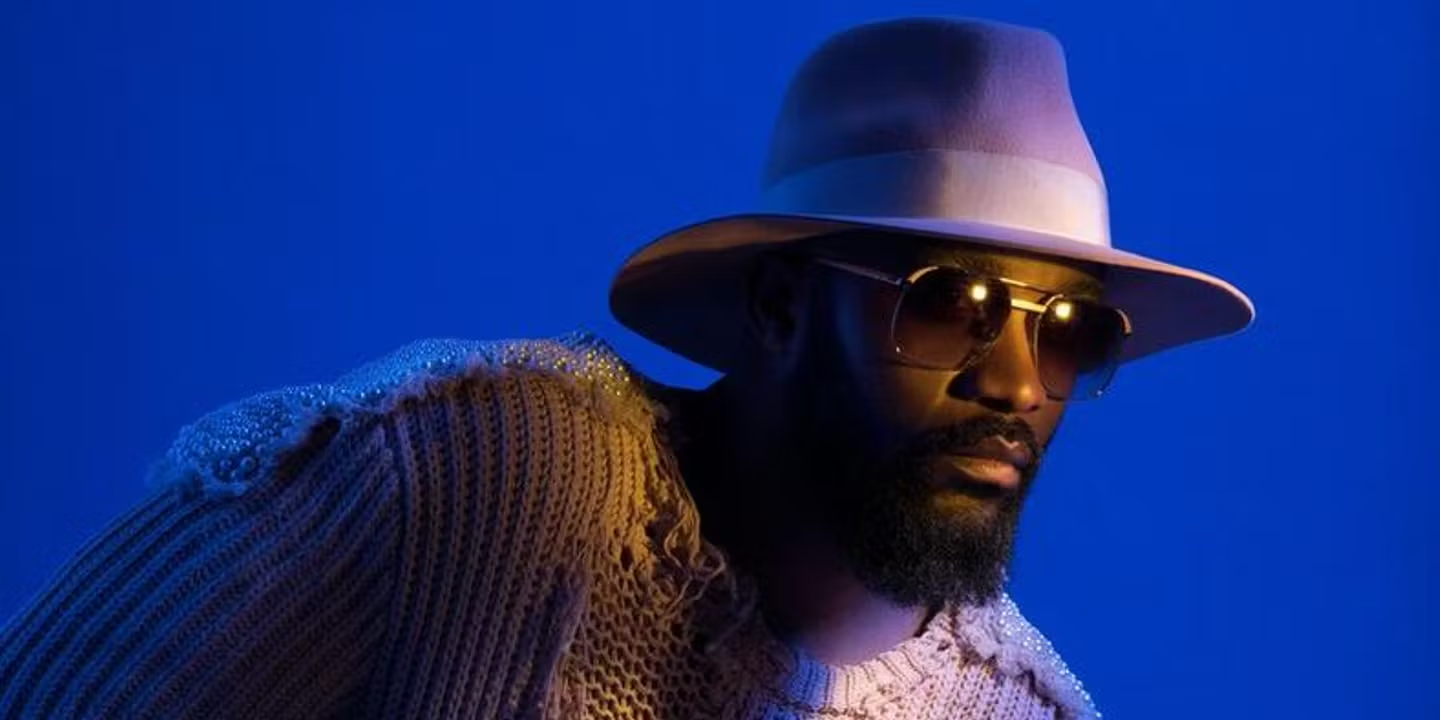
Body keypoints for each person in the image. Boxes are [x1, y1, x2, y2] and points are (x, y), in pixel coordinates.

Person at [0, 16, 1254, 720]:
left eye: (1071, 331)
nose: (1019, 383)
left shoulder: (1019, 712)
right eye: (953, 306)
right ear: (780, 304)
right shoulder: (476, 476)